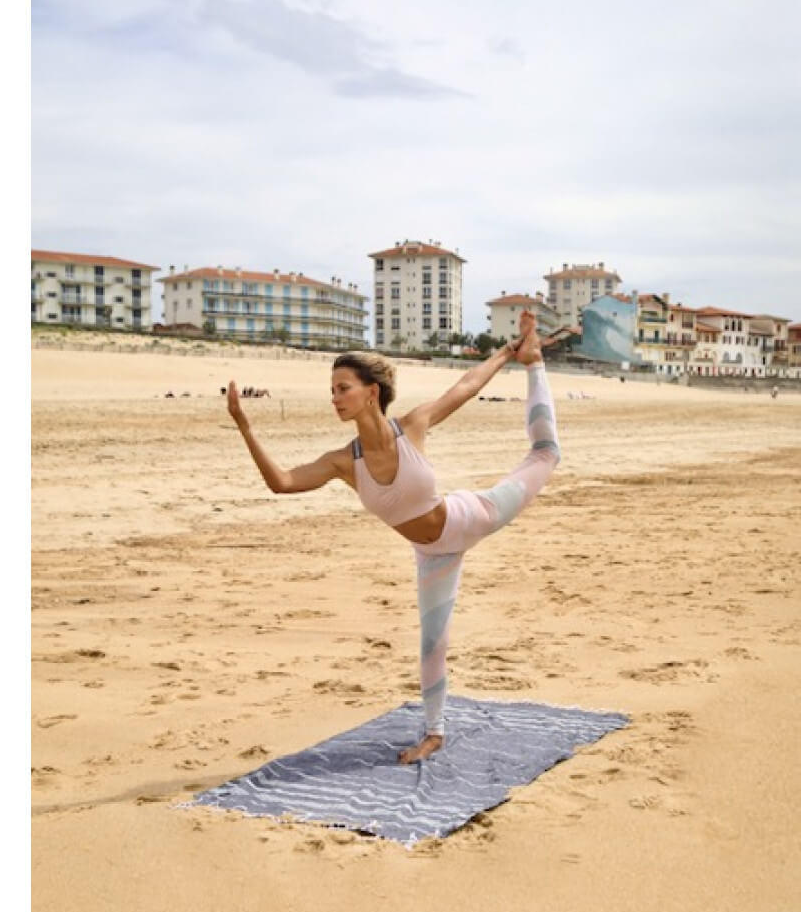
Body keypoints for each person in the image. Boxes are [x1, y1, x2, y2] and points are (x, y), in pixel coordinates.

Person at [226, 311, 561, 764]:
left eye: (343, 388)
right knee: (432, 642)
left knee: (545, 453)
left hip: (469, 517)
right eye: (332, 391)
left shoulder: (414, 425)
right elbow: (282, 482)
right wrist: (245, 426)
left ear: (372, 393)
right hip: (431, 554)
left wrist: (510, 353)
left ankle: (536, 363)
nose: (335, 398)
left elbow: (466, 386)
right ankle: (435, 733)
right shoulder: (344, 462)